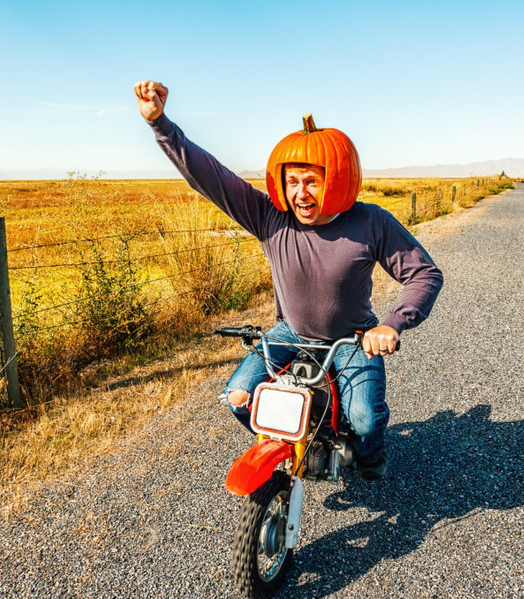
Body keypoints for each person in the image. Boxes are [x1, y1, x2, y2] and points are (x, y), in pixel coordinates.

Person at [134, 80, 443, 479]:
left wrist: (391, 324)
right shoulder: (270, 217)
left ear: (338, 177)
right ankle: (291, 442)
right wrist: (160, 124)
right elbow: (210, 177)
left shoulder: (371, 221)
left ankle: (369, 455)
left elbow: (424, 274)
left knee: (365, 418)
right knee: (237, 398)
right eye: (292, 181)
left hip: (350, 339)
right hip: (290, 332)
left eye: (312, 180)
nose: (301, 193)